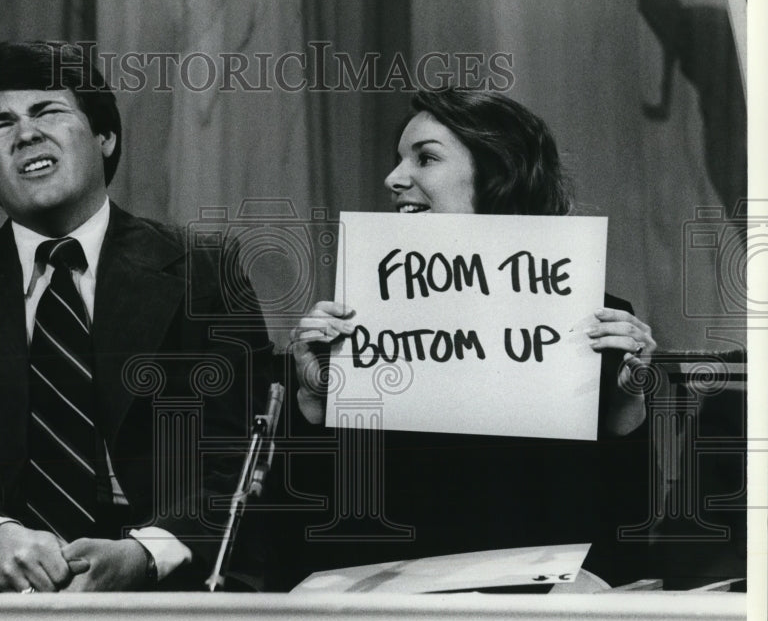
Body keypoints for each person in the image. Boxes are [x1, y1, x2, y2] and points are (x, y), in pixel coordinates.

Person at [0, 41, 272, 593]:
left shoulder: (206, 271)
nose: (25, 134)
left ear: (105, 137)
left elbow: (244, 457)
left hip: (168, 588)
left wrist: (145, 553)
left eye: (47, 111)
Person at [275, 88, 657, 589]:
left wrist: (625, 405)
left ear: (497, 173)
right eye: (398, 160)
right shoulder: (352, 327)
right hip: (381, 617)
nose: (393, 178)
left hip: (534, 615)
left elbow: (623, 528)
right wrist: (310, 401)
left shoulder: (596, 323)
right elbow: (295, 529)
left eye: (426, 158)